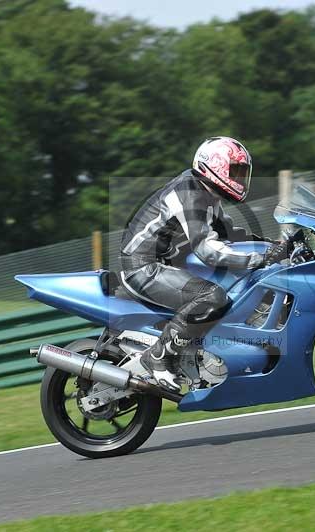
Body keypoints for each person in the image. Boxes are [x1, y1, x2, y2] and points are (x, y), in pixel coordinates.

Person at [118, 136, 291, 391]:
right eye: (236, 171)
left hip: (166, 264)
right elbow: (208, 250)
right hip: (144, 267)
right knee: (212, 296)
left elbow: (229, 233)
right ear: (216, 166)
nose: (242, 179)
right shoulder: (190, 195)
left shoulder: (205, 194)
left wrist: (271, 246)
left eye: (243, 173)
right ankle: (158, 356)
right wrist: (259, 258)